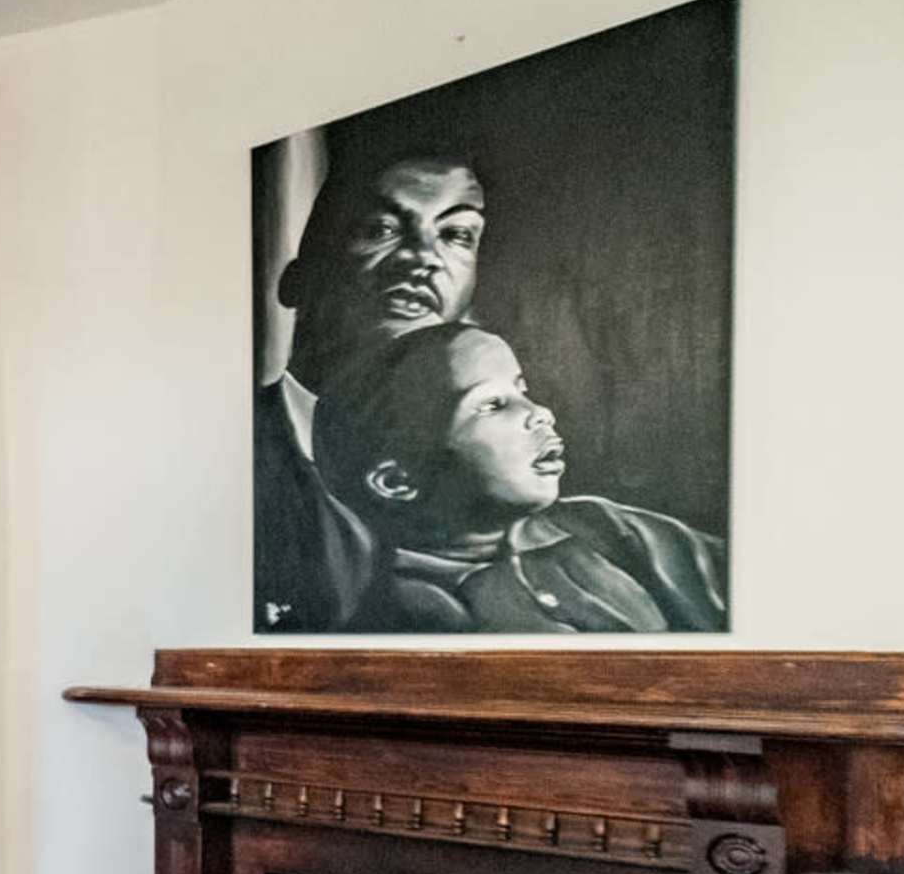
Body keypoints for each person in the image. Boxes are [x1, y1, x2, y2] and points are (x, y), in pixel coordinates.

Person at [309, 324, 726, 632]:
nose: (540, 412)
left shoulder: (602, 524)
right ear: (398, 482)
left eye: (522, 390)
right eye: (492, 405)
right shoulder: (409, 614)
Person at [257, 147, 489, 629]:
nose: (422, 258)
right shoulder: (233, 457)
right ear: (297, 281)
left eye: (456, 234)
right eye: (380, 230)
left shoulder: (498, 480)